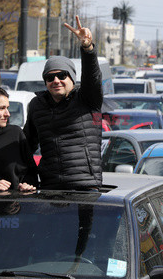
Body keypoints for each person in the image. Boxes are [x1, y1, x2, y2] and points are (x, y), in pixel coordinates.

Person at [23, 16, 103, 190]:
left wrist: (87, 48)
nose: (56, 81)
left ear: (73, 79)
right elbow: (26, 145)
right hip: (50, 187)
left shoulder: (87, 99)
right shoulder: (37, 105)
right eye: (50, 77)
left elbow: (93, 77)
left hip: (85, 186)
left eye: (62, 75)